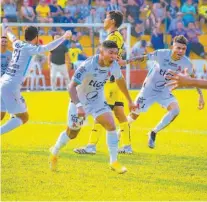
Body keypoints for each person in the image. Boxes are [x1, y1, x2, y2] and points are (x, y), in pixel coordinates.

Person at [49, 40, 137, 173]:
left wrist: (130, 100)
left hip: (97, 101)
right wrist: (79, 106)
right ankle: (54, 151)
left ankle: (114, 162)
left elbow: (120, 81)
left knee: (111, 124)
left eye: (115, 53)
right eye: (110, 52)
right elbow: (71, 86)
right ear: (101, 51)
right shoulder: (87, 65)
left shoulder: (114, 65)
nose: (113, 56)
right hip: (79, 101)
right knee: (72, 133)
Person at [127, 35, 205, 149]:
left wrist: (200, 95)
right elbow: (144, 57)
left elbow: (193, 78)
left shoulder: (186, 62)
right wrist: (126, 61)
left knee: (175, 110)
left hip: (164, 90)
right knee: (134, 115)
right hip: (148, 89)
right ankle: (121, 131)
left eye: (183, 49)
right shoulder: (161, 53)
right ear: (172, 46)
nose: (181, 51)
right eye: (178, 48)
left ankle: (153, 132)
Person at [74, 11, 133, 155]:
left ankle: (91, 146)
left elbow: (113, 59)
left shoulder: (114, 37)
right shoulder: (115, 36)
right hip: (113, 80)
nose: (104, 20)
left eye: (106, 18)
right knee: (119, 112)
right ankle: (127, 146)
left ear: (112, 21)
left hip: (110, 80)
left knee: (100, 111)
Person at [0, 26, 72, 135]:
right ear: (36, 37)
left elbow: (12, 37)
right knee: (24, 117)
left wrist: (8, 30)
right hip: (11, 85)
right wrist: (64, 37)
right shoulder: (30, 48)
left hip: (3, 80)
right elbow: (47, 47)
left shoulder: (18, 43)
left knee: (3, 113)